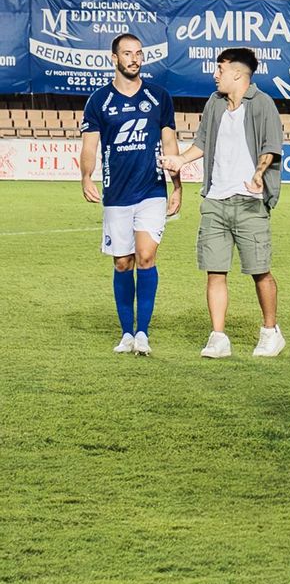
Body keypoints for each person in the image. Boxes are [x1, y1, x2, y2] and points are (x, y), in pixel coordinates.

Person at [162, 47, 286, 359]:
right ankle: (218, 337)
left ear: (237, 73)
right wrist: (180, 159)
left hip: (250, 203)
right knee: (214, 271)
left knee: (260, 271)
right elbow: (202, 142)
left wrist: (259, 174)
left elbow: (270, 148)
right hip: (214, 201)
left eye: (220, 69)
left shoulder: (263, 104)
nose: (215, 75)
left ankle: (270, 331)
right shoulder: (214, 104)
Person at [81, 33, 180, 356]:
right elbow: (90, 145)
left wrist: (177, 185)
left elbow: (169, 144)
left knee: (146, 256)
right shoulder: (98, 101)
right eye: (127, 53)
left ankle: (143, 333)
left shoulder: (159, 97)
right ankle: (126, 333)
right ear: (115, 58)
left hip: (152, 189)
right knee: (123, 263)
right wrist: (86, 176)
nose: (134, 58)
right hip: (116, 195)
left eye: (138, 53)